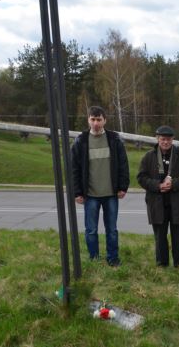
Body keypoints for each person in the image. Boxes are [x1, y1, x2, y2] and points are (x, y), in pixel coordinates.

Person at [71, 106, 129, 267]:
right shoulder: (80, 141)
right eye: (92, 119)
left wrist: (123, 186)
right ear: (88, 120)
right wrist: (77, 192)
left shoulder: (114, 139)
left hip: (111, 194)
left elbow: (123, 164)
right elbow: (74, 169)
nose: (95, 123)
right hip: (90, 195)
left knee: (111, 230)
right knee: (91, 230)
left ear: (105, 120)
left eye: (99, 119)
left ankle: (113, 259)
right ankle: (94, 259)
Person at [138, 125, 179, 267]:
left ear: (173, 139)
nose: (165, 142)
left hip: (177, 202)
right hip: (157, 203)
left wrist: (174, 183)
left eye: (168, 139)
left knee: (177, 235)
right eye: (162, 139)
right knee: (160, 236)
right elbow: (141, 177)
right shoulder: (148, 157)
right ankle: (162, 263)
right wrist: (158, 185)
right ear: (157, 139)